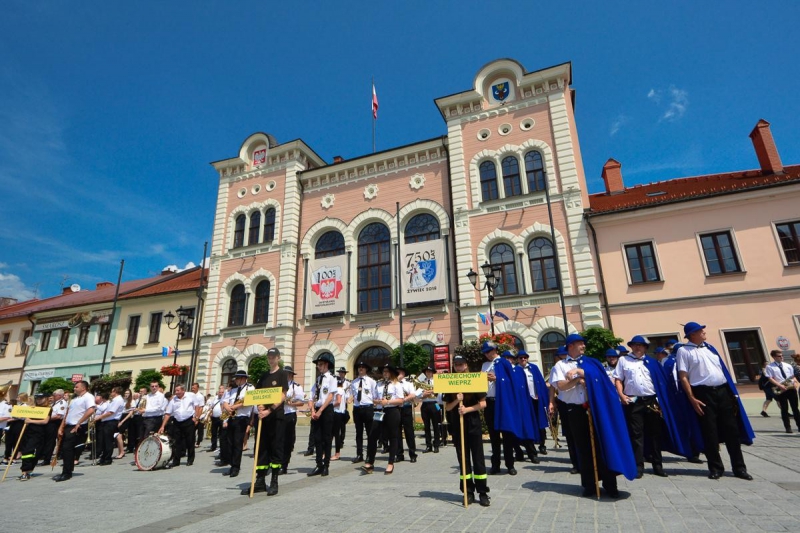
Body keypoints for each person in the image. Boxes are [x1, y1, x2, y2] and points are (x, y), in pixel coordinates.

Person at [552, 334, 636, 498]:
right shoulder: (560, 365)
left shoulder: (592, 363)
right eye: (579, 344)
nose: (583, 346)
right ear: (570, 346)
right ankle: (589, 485)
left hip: (597, 408)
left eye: (583, 343)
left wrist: (582, 373)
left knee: (603, 443)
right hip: (575, 410)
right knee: (583, 448)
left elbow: (603, 380)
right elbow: (561, 386)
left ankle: (610, 484)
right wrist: (578, 380)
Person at [676, 321, 755, 480]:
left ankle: (739, 467)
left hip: (722, 391)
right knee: (709, 431)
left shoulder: (710, 348)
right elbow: (683, 377)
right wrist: (692, 398)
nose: (704, 332)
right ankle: (715, 467)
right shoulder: (684, 351)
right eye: (700, 330)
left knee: (731, 430)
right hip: (703, 393)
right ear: (692, 334)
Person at [613, 335, 684, 478]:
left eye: (641, 345)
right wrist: (621, 395)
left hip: (652, 401)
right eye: (635, 345)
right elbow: (618, 379)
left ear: (645, 347)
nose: (638, 347)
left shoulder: (652, 362)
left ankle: (658, 465)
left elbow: (661, 383)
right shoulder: (623, 360)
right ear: (631, 347)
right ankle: (638, 466)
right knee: (636, 434)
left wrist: (661, 400)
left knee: (655, 433)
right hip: (634, 401)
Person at [444, 355, 490, 507]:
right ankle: (468, 491)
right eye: (456, 364)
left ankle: (482, 492)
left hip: (473, 422)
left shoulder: (474, 380)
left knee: (478, 458)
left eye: (461, 364)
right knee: (463, 459)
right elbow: (448, 407)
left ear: (466, 365)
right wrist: (457, 400)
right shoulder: (449, 382)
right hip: (457, 424)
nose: (458, 367)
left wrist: (468, 409)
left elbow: (483, 404)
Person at [242, 347, 288, 496]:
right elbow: (258, 395)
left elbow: (282, 396)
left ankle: (274, 481)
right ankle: (260, 481)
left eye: (274, 356)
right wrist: (259, 405)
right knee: (261, 448)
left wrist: (270, 410)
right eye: (269, 356)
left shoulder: (282, 374)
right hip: (262, 418)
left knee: (275, 448)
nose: (271, 359)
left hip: (276, 417)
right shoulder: (263, 376)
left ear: (278, 358)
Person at [480, 341, 515, 475]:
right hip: (490, 402)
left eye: (489, 351)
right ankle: (495, 464)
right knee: (493, 435)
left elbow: (511, 381)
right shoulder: (484, 365)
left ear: (495, 350)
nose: (487, 354)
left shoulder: (505, 362)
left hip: (502, 401)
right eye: (485, 353)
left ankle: (510, 464)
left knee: (507, 434)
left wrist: (497, 378)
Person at [362, 364, 404, 475]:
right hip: (380, 411)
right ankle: (370, 462)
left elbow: (400, 400)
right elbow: (375, 397)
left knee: (393, 436)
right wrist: (376, 401)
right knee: (372, 435)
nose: (385, 373)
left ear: (391, 373)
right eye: (383, 371)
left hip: (392, 411)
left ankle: (390, 463)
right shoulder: (379, 384)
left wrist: (388, 402)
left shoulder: (396, 384)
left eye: (387, 371)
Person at [54, 380, 95, 482]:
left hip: (77, 426)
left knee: (68, 448)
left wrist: (79, 422)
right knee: (65, 449)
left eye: (76, 387)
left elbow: (91, 410)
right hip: (69, 425)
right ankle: (67, 470)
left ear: (83, 388)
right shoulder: (75, 399)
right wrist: (61, 427)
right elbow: (67, 413)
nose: (74, 388)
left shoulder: (88, 397)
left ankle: (67, 473)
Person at [549, 345, 579, 473]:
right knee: (570, 433)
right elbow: (552, 386)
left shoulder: (579, 364)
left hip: (579, 402)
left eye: (563, 355)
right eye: (560, 356)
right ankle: (575, 463)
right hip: (564, 402)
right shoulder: (557, 367)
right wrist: (551, 402)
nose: (562, 357)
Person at [308, 352, 337, 477]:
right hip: (317, 410)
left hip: (326, 410)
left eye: (320, 364)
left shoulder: (331, 378)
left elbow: (330, 396)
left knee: (326, 438)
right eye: (317, 365)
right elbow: (311, 396)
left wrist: (320, 411)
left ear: (326, 365)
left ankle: (326, 465)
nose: (318, 367)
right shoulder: (318, 380)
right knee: (317, 438)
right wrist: (313, 410)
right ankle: (318, 464)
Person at [517, 350, 550, 463]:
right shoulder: (516, 370)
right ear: (518, 359)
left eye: (525, 357)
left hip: (536, 399)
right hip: (525, 402)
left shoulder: (534, 368)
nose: (523, 359)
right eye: (521, 358)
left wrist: (542, 397)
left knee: (540, 422)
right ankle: (531, 450)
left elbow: (540, 382)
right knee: (528, 424)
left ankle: (542, 444)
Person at [159, 384, 202, 467]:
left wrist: (196, 417)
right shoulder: (173, 400)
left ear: (183, 390)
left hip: (189, 420)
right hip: (177, 422)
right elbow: (168, 414)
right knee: (177, 442)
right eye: (175, 391)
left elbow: (197, 406)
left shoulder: (191, 396)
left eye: (178, 390)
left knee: (190, 441)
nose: (176, 392)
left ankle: (190, 459)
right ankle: (176, 460)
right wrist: (162, 426)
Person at [222, 370, 254, 477]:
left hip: (242, 418)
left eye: (238, 378)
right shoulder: (232, 390)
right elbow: (225, 401)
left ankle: (236, 467)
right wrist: (228, 408)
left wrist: (235, 407)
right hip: (232, 417)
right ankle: (232, 465)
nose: (236, 380)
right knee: (230, 442)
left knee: (237, 443)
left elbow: (248, 401)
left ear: (244, 378)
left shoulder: (250, 388)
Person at [764, 349, 800, 433]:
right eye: (779, 356)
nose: (781, 357)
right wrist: (780, 385)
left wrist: (794, 382)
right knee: (784, 408)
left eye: (782, 356)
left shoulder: (787, 365)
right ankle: (788, 427)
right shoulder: (770, 367)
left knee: (795, 408)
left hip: (791, 388)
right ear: (773, 357)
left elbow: (792, 376)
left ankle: (799, 425)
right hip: (780, 389)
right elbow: (770, 378)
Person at [18, 393, 51, 481]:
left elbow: (45, 421)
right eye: (37, 398)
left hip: (39, 432)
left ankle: (27, 471)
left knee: (31, 452)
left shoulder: (47, 409)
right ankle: (25, 471)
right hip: (28, 431)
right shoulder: (33, 408)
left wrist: (31, 421)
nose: (39, 400)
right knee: (26, 451)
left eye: (41, 398)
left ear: (45, 399)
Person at [349, 361, 376, 463]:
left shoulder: (371, 381)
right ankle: (359, 454)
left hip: (368, 408)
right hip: (357, 408)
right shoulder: (354, 382)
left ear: (366, 370)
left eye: (363, 367)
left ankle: (370, 455)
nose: (360, 369)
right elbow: (353, 394)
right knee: (358, 432)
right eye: (359, 367)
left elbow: (374, 395)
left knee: (370, 433)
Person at [281, 365, 305, 474]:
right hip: (279, 414)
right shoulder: (278, 385)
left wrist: (291, 403)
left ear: (290, 375)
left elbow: (301, 402)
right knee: (278, 439)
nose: (284, 375)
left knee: (287, 440)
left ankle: (284, 465)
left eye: (286, 374)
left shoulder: (296, 387)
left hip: (289, 414)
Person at [94, 387, 124, 465]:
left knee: (108, 441)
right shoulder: (114, 400)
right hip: (107, 421)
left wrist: (99, 417)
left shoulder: (118, 400)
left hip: (111, 422)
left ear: (116, 391)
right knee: (104, 441)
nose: (111, 393)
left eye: (112, 391)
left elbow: (111, 412)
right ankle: (103, 457)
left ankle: (107, 458)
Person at [395, 367, 418, 463]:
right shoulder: (393, 384)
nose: (398, 374)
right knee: (397, 432)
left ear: (404, 373)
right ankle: (399, 454)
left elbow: (413, 395)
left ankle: (412, 454)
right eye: (397, 372)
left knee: (409, 432)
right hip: (396, 408)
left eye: (400, 372)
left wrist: (403, 399)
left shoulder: (408, 384)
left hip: (406, 408)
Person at [38, 389, 66, 466]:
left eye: (54, 395)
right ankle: (44, 456)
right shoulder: (54, 403)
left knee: (50, 441)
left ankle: (47, 459)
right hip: (50, 423)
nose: (53, 396)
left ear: (60, 396)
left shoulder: (62, 403)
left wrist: (46, 419)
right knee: (47, 440)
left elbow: (59, 416)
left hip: (55, 423)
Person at [418, 366, 441, 453]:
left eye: (430, 372)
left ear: (432, 373)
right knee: (426, 426)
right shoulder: (422, 382)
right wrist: (424, 394)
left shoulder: (436, 381)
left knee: (435, 425)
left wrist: (430, 391)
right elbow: (418, 394)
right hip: (425, 404)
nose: (428, 373)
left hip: (434, 403)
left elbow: (438, 391)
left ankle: (436, 445)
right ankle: (428, 445)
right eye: (427, 372)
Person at [332, 376, 349, 461]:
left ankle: (336, 454)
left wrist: (329, 405)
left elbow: (338, 401)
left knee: (334, 434)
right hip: (341, 413)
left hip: (336, 413)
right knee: (337, 434)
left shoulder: (338, 390)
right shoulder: (342, 390)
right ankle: (336, 453)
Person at [207, 386, 225, 452]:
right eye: (220, 392)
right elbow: (211, 406)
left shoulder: (225, 399)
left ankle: (221, 447)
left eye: (222, 392)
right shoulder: (215, 398)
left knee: (221, 433)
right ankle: (213, 446)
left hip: (221, 418)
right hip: (214, 417)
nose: (221, 393)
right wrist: (210, 413)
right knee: (213, 433)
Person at [190, 383, 206, 448]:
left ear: (197, 388)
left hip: (199, 416)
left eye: (194, 388)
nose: (192, 389)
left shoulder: (200, 396)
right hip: (192, 415)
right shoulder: (191, 395)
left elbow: (200, 407)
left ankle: (198, 442)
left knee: (199, 430)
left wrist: (197, 418)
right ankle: (192, 442)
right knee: (192, 430)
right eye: (192, 388)